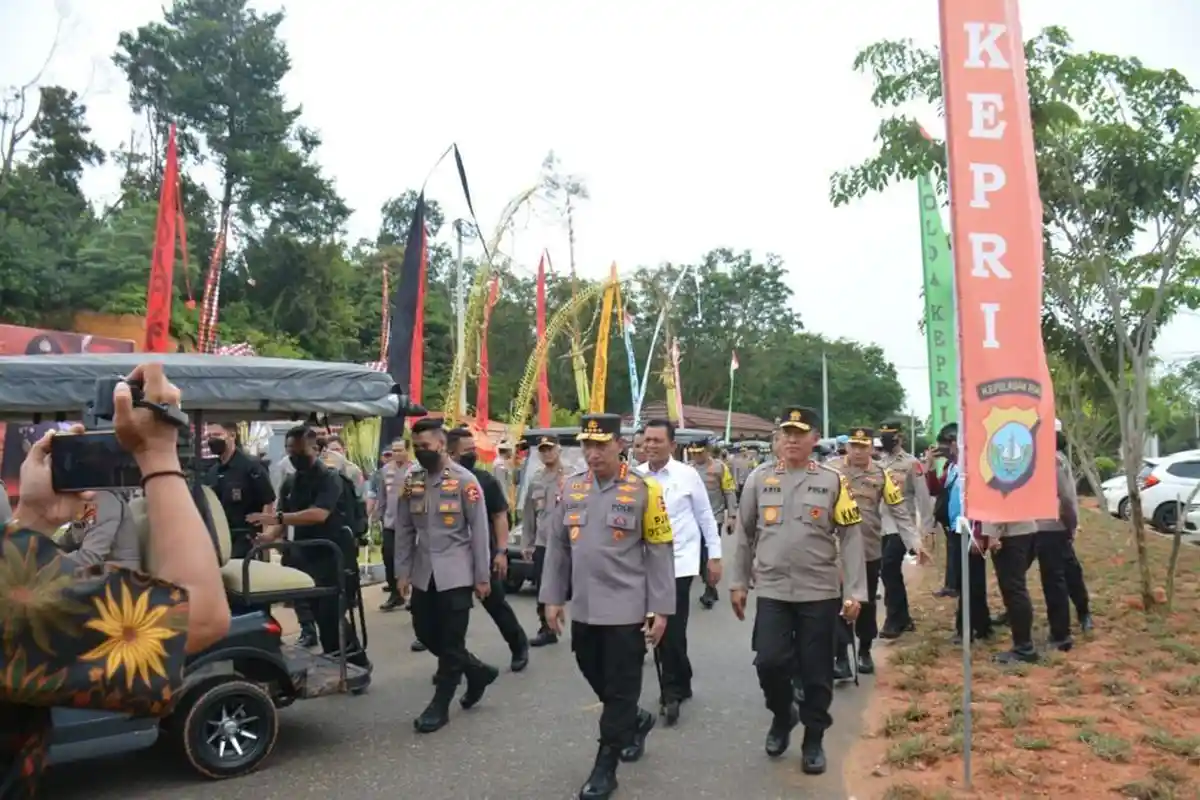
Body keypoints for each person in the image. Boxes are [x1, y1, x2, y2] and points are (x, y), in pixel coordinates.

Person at [2, 362, 229, 796]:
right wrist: (159, 453)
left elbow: (91, 551)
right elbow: (201, 616)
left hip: (115, 570)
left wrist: (33, 521)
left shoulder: (103, 503)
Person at [540, 413, 675, 800]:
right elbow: (558, 549)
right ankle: (635, 718)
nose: (592, 452)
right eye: (587, 445)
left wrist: (660, 608)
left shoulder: (644, 490)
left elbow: (659, 552)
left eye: (601, 445)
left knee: (618, 689)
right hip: (585, 607)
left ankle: (605, 766)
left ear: (620, 444)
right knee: (591, 669)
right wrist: (551, 597)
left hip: (627, 609)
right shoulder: (571, 488)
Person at [730, 406, 867, 776]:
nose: (791, 439)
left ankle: (814, 738)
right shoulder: (759, 479)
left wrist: (855, 591)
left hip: (819, 591)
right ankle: (782, 714)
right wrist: (738, 581)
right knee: (769, 662)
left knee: (817, 671)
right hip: (773, 588)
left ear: (814, 439)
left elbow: (851, 537)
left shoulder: (832, 481)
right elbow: (744, 533)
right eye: (785, 433)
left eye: (799, 433)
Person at [394, 418, 498, 734]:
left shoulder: (465, 481)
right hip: (425, 573)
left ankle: (439, 705)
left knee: (451, 643)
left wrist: (482, 577)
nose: (421, 451)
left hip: (456, 573)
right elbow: (404, 528)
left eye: (426, 446)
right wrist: (402, 571)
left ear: (441, 443)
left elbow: (480, 531)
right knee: (425, 633)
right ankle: (476, 670)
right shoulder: (412, 480)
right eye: (417, 446)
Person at [249, 426, 370, 669]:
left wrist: (278, 520)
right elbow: (284, 515)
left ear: (316, 449)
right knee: (317, 612)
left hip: (334, 556)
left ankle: (357, 662)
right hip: (306, 556)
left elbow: (318, 514)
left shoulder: (332, 479)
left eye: (299, 451)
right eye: (289, 451)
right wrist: (269, 536)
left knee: (331, 614)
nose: (294, 456)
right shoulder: (291, 482)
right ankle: (336, 660)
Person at [636, 419, 721, 727]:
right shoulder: (635, 477)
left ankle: (670, 693)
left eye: (658, 440)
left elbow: (705, 518)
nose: (651, 445)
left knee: (671, 629)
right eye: (647, 440)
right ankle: (679, 678)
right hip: (643, 564)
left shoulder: (688, 477)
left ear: (672, 445)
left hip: (680, 564)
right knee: (653, 628)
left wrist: (715, 556)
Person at [826, 427, 915, 677]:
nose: (857, 451)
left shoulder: (881, 474)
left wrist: (913, 541)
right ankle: (841, 656)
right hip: (835, 550)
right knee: (837, 602)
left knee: (864, 602)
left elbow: (898, 509)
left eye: (863, 446)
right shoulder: (831, 470)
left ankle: (864, 650)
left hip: (868, 548)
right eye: (854, 445)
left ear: (872, 448)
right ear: (847, 447)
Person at [446, 427, 530, 671]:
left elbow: (500, 516)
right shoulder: (439, 479)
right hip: (453, 558)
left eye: (474, 450)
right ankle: (452, 663)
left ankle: (518, 645)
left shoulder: (485, 480)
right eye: (467, 451)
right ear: (450, 452)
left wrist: (501, 551)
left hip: (483, 555)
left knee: (496, 604)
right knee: (450, 614)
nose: (472, 454)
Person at [939, 423, 995, 645]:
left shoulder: (973, 467)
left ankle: (968, 629)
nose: (942, 448)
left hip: (971, 532)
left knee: (971, 582)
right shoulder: (953, 467)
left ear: (955, 442)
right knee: (966, 582)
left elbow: (983, 502)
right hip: (956, 530)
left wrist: (979, 534)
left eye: (945, 443)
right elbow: (938, 490)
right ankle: (981, 625)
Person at [876, 420, 933, 640]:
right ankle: (903, 618)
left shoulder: (912, 463)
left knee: (889, 566)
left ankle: (894, 619)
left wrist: (927, 528)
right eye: (884, 436)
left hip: (902, 524)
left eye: (890, 436)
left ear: (900, 437)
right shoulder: (879, 464)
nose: (886, 440)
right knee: (887, 571)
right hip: (881, 525)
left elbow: (923, 496)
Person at [1035, 424, 1081, 652]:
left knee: (1055, 581)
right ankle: (1076, 618)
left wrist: (1071, 526)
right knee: (1060, 576)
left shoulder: (1052, 461)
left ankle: (1061, 635)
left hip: (1051, 528)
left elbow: (1066, 499)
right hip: (1043, 527)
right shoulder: (1049, 458)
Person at [202, 422, 276, 560]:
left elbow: (268, 501)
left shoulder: (251, 467)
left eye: (217, 435)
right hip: (221, 537)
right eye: (209, 436)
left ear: (232, 436)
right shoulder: (213, 471)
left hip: (247, 538)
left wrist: (264, 535)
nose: (212, 439)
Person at [523, 435, 568, 648]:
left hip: (570, 543)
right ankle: (546, 628)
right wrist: (527, 542)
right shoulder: (536, 480)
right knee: (543, 586)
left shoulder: (572, 476)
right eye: (543, 450)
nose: (547, 453)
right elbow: (529, 515)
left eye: (550, 448)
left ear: (559, 449)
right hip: (543, 542)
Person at [688, 440, 738, 610]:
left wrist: (732, 515)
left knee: (709, 555)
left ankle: (709, 590)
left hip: (714, 518)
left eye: (699, 452)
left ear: (708, 451)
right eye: (693, 453)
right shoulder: (688, 470)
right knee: (698, 557)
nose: (696, 456)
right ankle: (709, 584)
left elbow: (729, 491)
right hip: (693, 521)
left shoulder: (720, 468)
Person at [370, 438, 411, 611]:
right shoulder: (385, 471)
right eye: (394, 450)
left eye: (400, 450)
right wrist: (376, 516)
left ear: (408, 451)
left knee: (411, 559)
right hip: (390, 522)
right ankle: (395, 594)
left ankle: (412, 594)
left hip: (410, 525)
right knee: (388, 557)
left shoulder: (415, 470)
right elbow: (381, 497)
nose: (397, 454)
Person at [56, 489, 141, 570]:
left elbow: (90, 558)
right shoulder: (82, 502)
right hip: (99, 570)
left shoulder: (102, 502)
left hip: (119, 573)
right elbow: (70, 540)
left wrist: (53, 561)